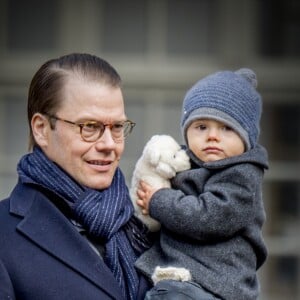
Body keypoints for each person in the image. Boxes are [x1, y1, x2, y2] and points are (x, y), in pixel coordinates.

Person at [0, 53, 154, 300]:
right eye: (89, 127)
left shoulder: (149, 223)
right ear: (41, 129)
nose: (108, 144)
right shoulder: (4, 236)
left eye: (116, 127)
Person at [135, 68, 269, 300]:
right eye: (201, 127)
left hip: (217, 284)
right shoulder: (186, 163)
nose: (212, 136)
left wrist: (159, 200)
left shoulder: (242, 175)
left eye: (226, 128)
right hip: (188, 280)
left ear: (246, 137)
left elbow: (208, 217)